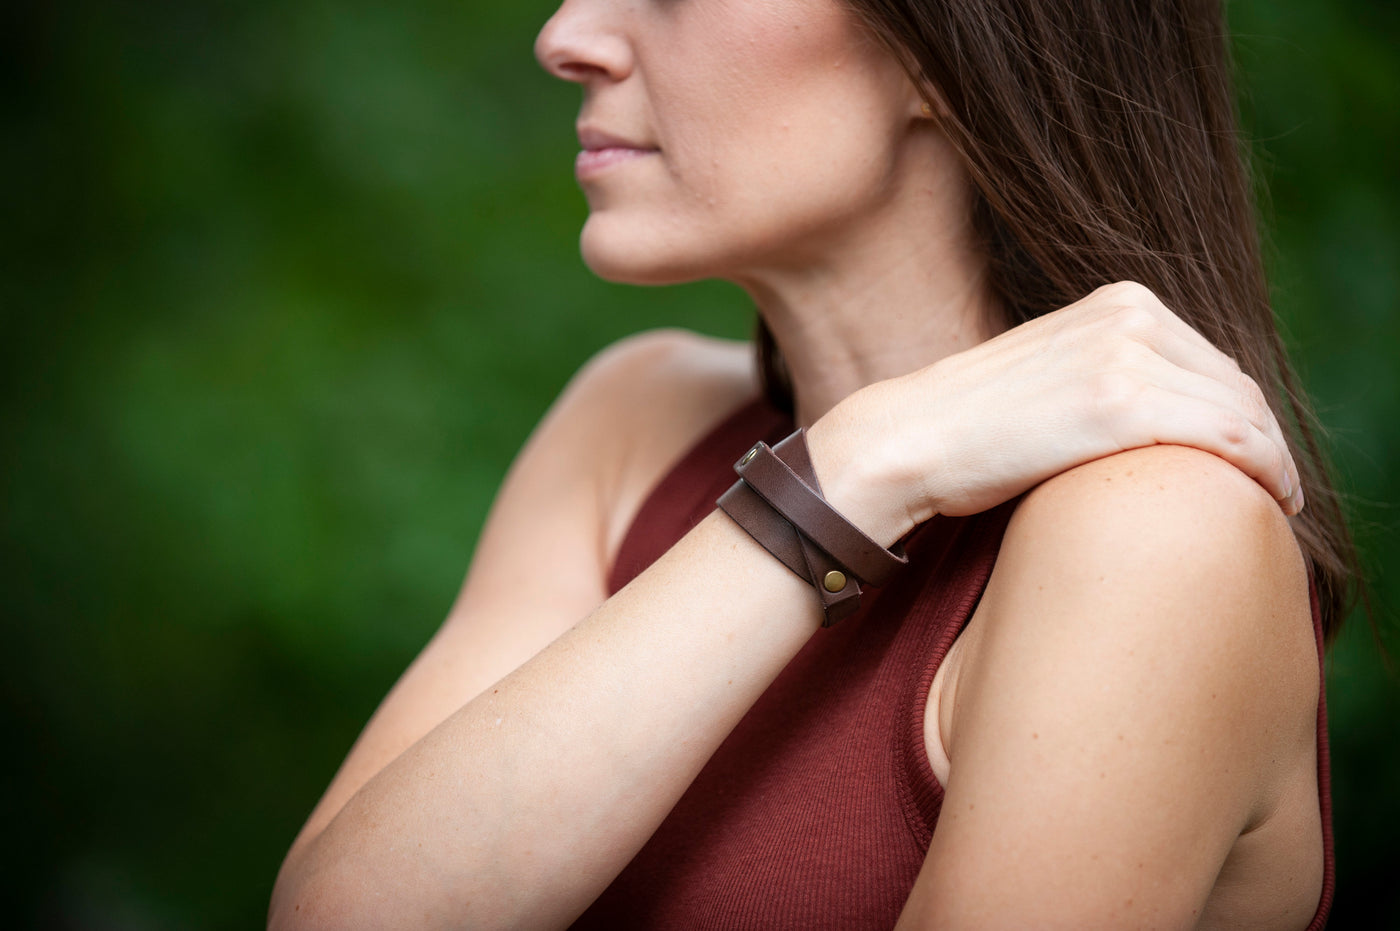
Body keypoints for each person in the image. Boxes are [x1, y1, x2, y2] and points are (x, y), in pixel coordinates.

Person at [269, 0, 1357, 927]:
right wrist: (860, 465)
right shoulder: (631, 422)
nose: (566, 35)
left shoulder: (1153, 523)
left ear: (938, 52)